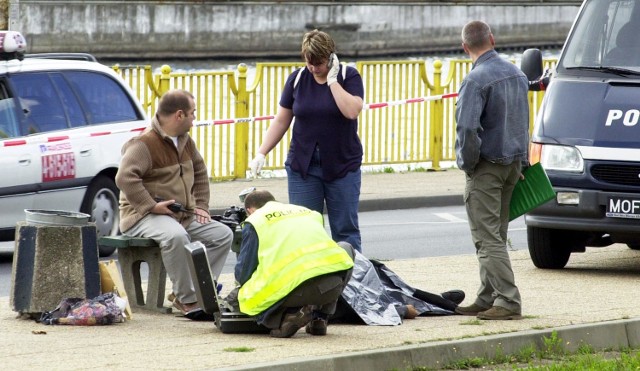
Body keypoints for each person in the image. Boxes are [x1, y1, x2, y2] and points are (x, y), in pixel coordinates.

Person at [115, 89, 233, 315]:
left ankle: (200, 292)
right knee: (176, 236)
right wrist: (151, 206)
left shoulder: (186, 142)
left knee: (222, 235)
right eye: (193, 113)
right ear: (179, 115)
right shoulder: (143, 144)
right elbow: (124, 178)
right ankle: (186, 299)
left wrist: (201, 206)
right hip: (143, 216)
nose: (195, 118)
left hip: (180, 214)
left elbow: (200, 173)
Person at [248, 29, 365, 252]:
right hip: (304, 167)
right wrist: (261, 153)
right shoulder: (297, 79)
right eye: (308, 62)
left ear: (331, 56)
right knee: (304, 229)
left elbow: (351, 111)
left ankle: (352, 282)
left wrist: (332, 82)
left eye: (318, 63)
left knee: (345, 230)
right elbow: (282, 120)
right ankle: (313, 283)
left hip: (342, 166)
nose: (313, 68)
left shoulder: (349, 76)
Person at [453, 21, 529, 320]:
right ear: (492, 39)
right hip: (512, 165)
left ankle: (508, 301)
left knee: (487, 239)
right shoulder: (517, 73)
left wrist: (467, 163)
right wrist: (522, 161)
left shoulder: (475, 80)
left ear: (465, 47)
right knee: (496, 234)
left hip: (486, 168)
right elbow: (522, 122)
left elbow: (467, 128)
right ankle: (487, 297)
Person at [234, 189, 355, 338]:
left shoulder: (256, 220)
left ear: (249, 210)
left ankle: (291, 316)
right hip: (331, 287)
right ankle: (320, 318)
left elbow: (244, 272)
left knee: (254, 290)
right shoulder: (307, 212)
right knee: (345, 248)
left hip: (294, 294)